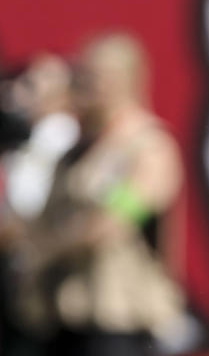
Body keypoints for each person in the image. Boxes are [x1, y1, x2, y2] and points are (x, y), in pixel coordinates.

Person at [13, 33, 186, 356]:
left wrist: (48, 248)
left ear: (123, 81)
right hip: (59, 320)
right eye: (79, 74)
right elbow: (38, 223)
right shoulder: (74, 151)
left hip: (120, 324)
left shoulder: (150, 148)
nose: (80, 84)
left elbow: (116, 221)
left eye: (92, 76)